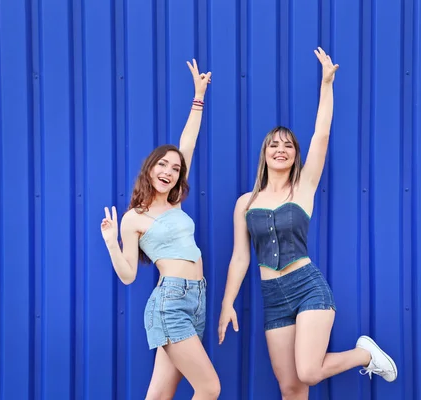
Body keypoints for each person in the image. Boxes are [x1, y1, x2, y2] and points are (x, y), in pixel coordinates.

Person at [217, 48, 397, 398]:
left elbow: (321, 135)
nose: (280, 150)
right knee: (291, 388)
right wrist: (227, 303)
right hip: (272, 296)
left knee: (309, 371)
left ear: (295, 154)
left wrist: (327, 84)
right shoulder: (245, 202)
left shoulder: (304, 187)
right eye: (273, 145)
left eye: (287, 146)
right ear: (265, 154)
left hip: (307, 287)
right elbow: (240, 258)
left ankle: (366, 354)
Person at [100, 59, 220, 400]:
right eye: (162, 164)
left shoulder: (176, 200)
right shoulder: (133, 218)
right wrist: (111, 242)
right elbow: (128, 276)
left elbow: (188, 142)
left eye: (175, 167)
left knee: (159, 394)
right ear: (150, 169)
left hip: (196, 300)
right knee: (209, 387)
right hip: (169, 302)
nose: (169, 170)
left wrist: (198, 97)